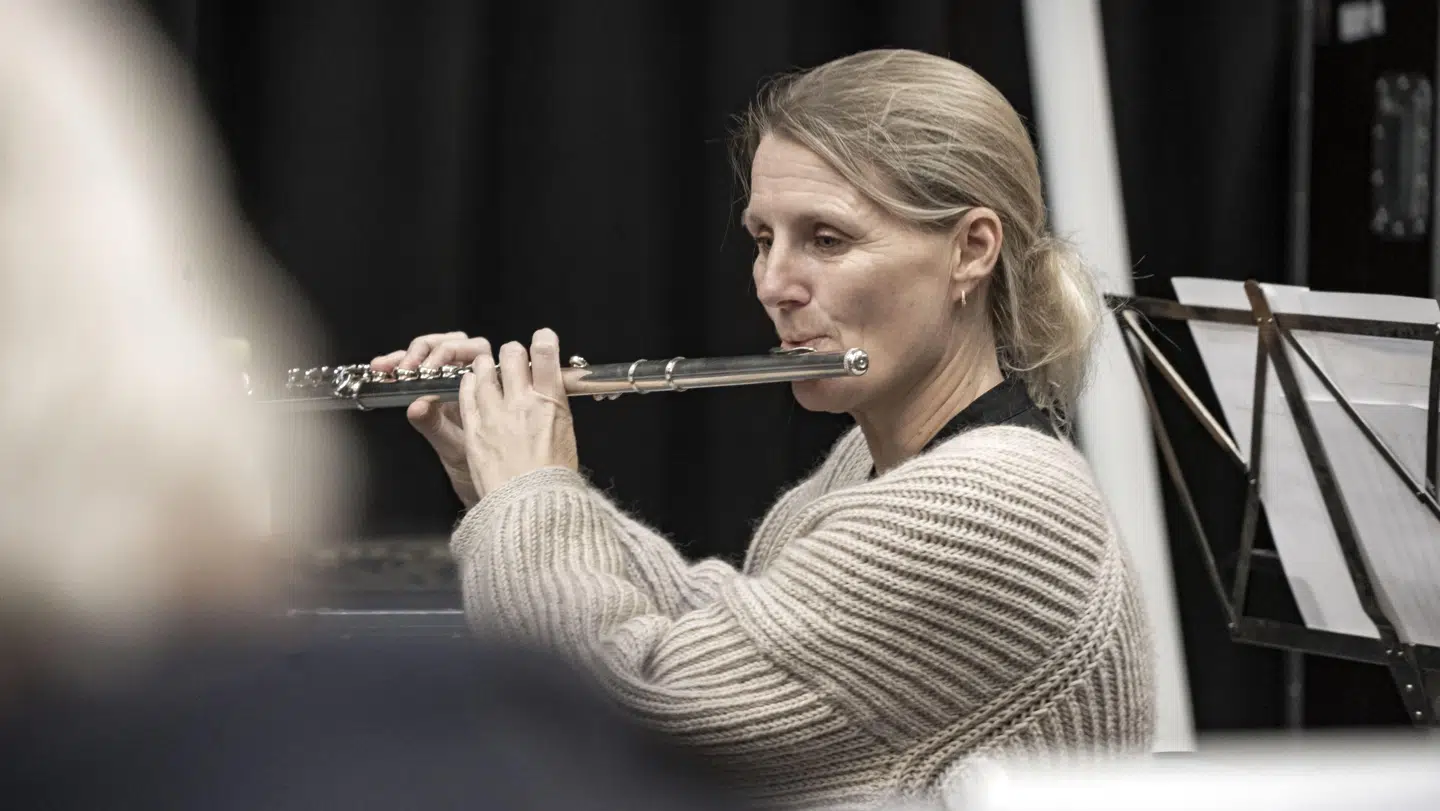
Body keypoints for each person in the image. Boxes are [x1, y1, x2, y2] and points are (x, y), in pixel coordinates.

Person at [374, 49, 1156, 808]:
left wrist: (530, 497)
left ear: (970, 251)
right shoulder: (868, 462)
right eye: (762, 239)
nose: (776, 285)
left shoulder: (999, 507)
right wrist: (496, 468)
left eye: (826, 238)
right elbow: (726, 633)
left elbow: (634, 715)